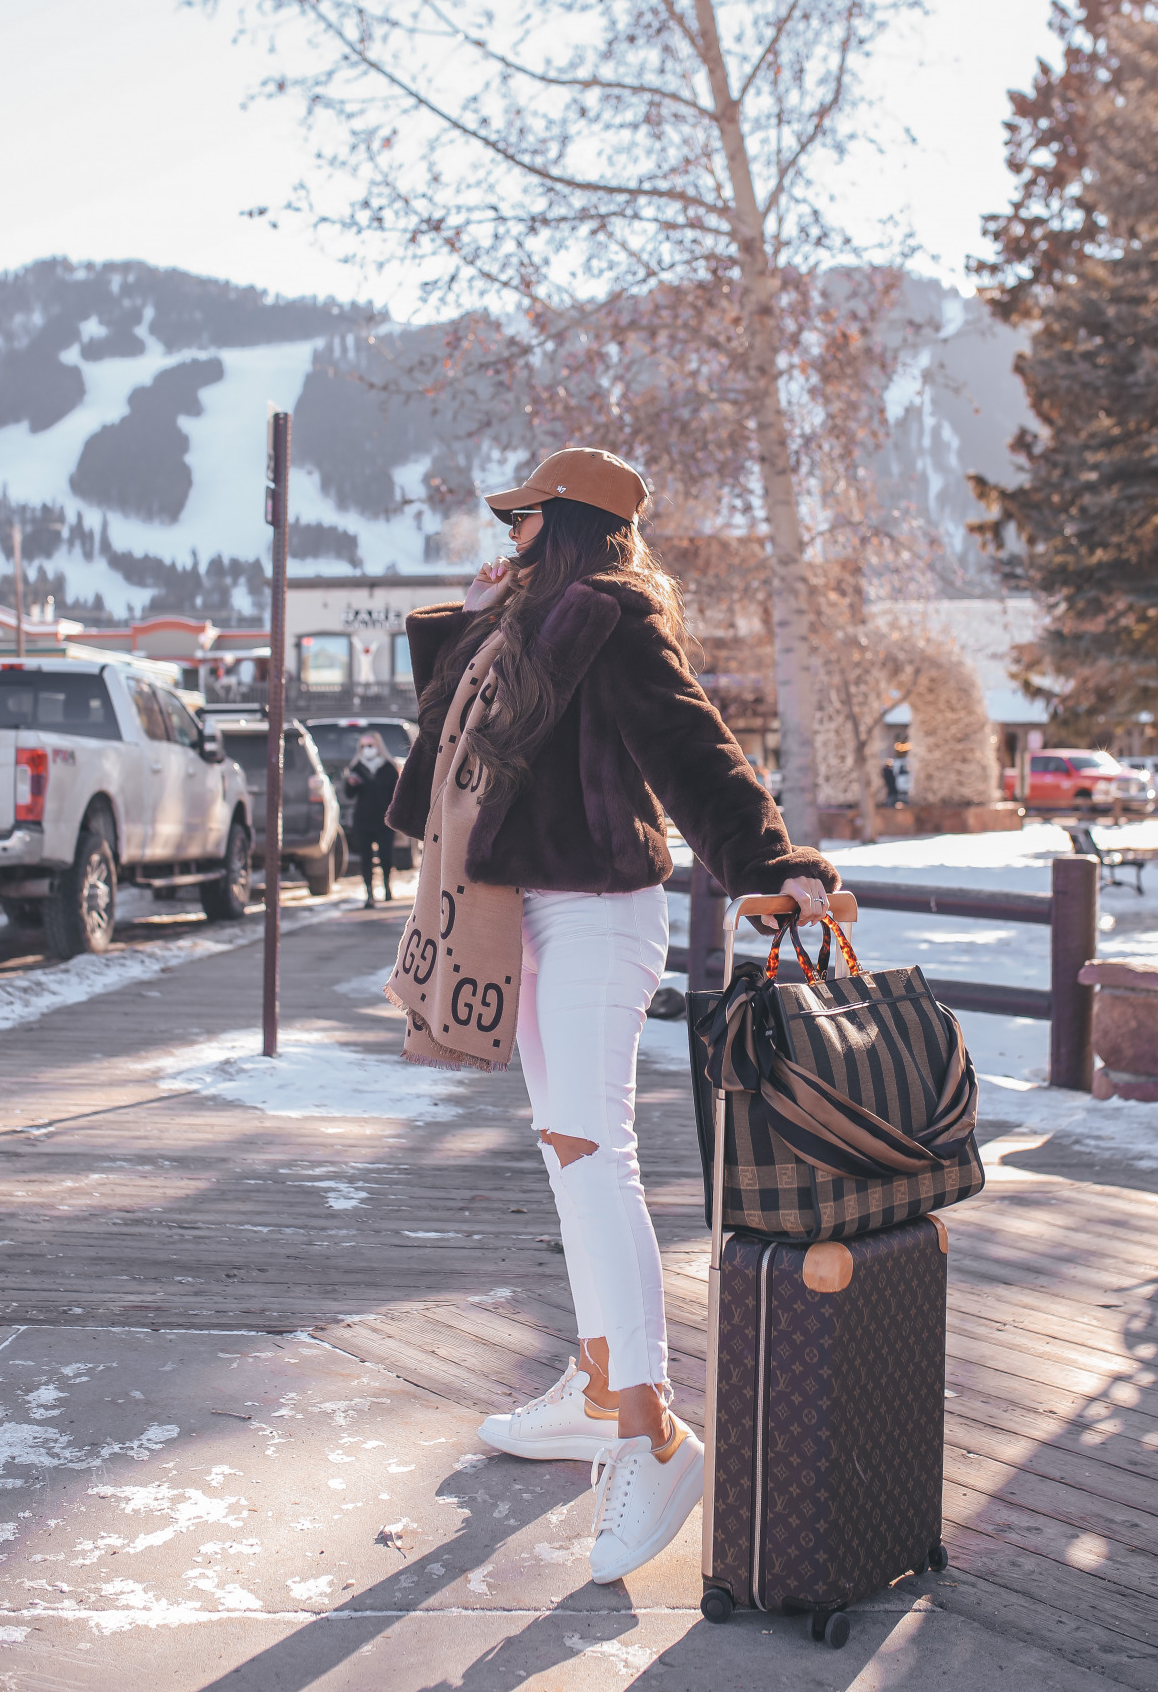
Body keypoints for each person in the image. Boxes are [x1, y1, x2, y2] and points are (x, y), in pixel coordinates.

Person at [384, 447, 839, 1585]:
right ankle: (597, 1388)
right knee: (564, 1150)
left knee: (595, 1155)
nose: (510, 531)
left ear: (572, 521)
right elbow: (443, 741)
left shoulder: (613, 616)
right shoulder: (529, 622)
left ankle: (652, 1431)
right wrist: (475, 615)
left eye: (525, 516)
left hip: (593, 913)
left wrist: (768, 861)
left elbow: (694, 752)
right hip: (516, 907)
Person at [344, 730, 399, 904]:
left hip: (384, 819)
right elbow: (349, 794)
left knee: (386, 856)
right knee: (366, 857)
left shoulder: (389, 767)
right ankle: (369, 893)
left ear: (378, 746)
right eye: (363, 746)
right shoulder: (356, 767)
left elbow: (396, 793)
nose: (366, 749)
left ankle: (387, 887)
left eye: (370, 745)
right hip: (363, 820)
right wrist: (350, 784)